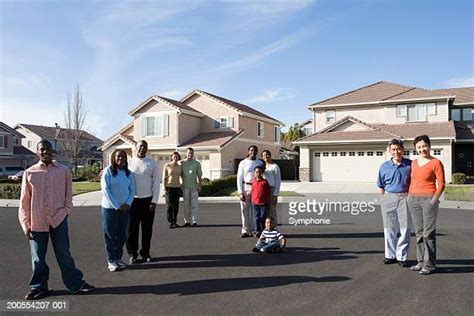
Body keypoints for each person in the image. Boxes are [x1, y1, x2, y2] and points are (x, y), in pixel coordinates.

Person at [19, 140, 95, 300]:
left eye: (48, 149)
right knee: (38, 257)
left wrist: (67, 211)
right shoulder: (29, 173)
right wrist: (26, 225)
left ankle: (75, 284)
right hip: (37, 221)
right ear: (37, 152)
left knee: (64, 254)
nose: (45, 152)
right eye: (42, 150)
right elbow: (24, 202)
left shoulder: (63, 171)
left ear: (52, 151)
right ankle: (39, 287)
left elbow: (68, 194)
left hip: (59, 219)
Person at [408, 135, 445, 275]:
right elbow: (412, 182)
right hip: (413, 200)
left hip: (429, 200)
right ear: (415, 148)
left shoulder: (436, 163)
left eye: (424, 146)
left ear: (429, 146)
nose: (422, 149)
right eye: (419, 147)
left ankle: (429, 265)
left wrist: (434, 200)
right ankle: (420, 261)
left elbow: (441, 183)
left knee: (428, 233)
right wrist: (410, 197)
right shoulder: (414, 163)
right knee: (418, 233)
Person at [377, 139, 412, 267]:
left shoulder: (410, 165)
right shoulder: (384, 166)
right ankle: (390, 255)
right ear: (389, 151)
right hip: (388, 197)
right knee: (389, 228)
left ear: (403, 150)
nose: (396, 152)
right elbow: (380, 185)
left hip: (405, 198)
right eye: (393, 149)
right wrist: (383, 199)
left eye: (398, 149)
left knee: (405, 228)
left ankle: (401, 256)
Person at [101, 149, 136, 272]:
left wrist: (127, 204)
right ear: (114, 159)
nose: (121, 159)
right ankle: (111, 260)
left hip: (125, 209)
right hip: (110, 209)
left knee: (121, 236)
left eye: (123, 157)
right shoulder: (108, 172)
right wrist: (117, 206)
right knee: (110, 235)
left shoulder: (128, 173)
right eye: (118, 157)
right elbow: (106, 190)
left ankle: (118, 258)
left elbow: (133, 190)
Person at [127, 140, 160, 264]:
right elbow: (115, 169)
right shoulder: (129, 163)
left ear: (147, 149)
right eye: (140, 146)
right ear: (136, 148)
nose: (142, 148)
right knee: (131, 229)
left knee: (147, 229)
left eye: (144, 147)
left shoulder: (152, 164)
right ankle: (132, 254)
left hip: (148, 201)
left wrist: (154, 201)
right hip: (132, 201)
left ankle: (145, 252)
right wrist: (104, 172)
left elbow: (156, 183)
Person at [237, 145, 263, 238]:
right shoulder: (243, 163)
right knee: (244, 210)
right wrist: (240, 192)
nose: (253, 152)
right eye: (251, 150)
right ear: (248, 151)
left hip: (256, 188)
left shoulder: (259, 162)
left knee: (255, 211)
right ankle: (245, 230)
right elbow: (239, 178)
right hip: (246, 187)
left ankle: (255, 230)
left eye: (255, 150)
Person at [181, 147, 202, 227]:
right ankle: (187, 221)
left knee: (194, 204)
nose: (190, 154)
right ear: (186, 154)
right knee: (186, 205)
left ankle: (194, 221)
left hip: (194, 187)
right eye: (189, 153)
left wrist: (200, 185)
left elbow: (199, 176)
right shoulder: (182, 163)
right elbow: (179, 174)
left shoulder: (197, 163)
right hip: (185, 186)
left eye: (191, 153)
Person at [163, 151, 183, 228]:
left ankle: (175, 221)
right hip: (169, 187)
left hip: (177, 187)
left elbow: (182, 176)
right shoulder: (167, 165)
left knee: (176, 206)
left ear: (178, 158)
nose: (175, 157)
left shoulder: (179, 167)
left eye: (177, 156)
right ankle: (170, 221)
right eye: (174, 156)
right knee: (169, 206)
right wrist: (164, 188)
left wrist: (183, 184)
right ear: (171, 157)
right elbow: (164, 177)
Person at [262, 150, 281, 225]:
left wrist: (275, 194)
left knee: (272, 210)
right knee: (265, 210)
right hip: (264, 190)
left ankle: (274, 228)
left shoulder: (275, 166)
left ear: (270, 155)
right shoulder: (262, 166)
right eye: (263, 155)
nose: (265, 156)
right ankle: (267, 229)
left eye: (267, 155)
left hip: (272, 189)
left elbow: (278, 181)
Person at [251, 165, 271, 237]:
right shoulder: (253, 182)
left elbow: (268, 192)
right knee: (256, 218)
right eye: (256, 172)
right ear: (254, 173)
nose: (258, 173)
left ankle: (263, 231)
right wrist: (253, 200)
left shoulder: (265, 182)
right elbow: (253, 191)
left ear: (262, 173)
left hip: (264, 204)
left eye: (259, 172)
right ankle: (257, 231)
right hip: (255, 203)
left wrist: (267, 201)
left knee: (263, 218)